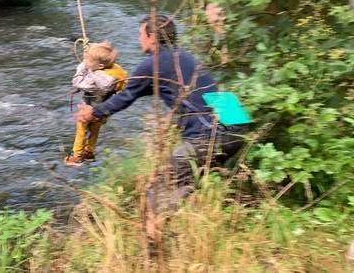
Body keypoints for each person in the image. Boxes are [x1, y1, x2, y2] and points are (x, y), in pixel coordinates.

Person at [75, 15, 251, 204]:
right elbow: (133, 90)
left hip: (209, 135)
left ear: (151, 37)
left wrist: (93, 112)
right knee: (188, 186)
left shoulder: (154, 63)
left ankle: (161, 228)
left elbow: (126, 97)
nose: (138, 39)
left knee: (158, 192)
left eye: (140, 34)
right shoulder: (184, 57)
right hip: (237, 125)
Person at [65, 41, 127, 165]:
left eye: (88, 60)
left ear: (99, 66)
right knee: (94, 130)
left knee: (81, 128)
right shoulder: (113, 72)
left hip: (89, 109)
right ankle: (89, 152)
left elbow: (77, 81)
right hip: (104, 111)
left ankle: (77, 156)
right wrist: (90, 52)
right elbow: (99, 57)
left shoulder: (96, 79)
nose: (86, 61)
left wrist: (83, 65)